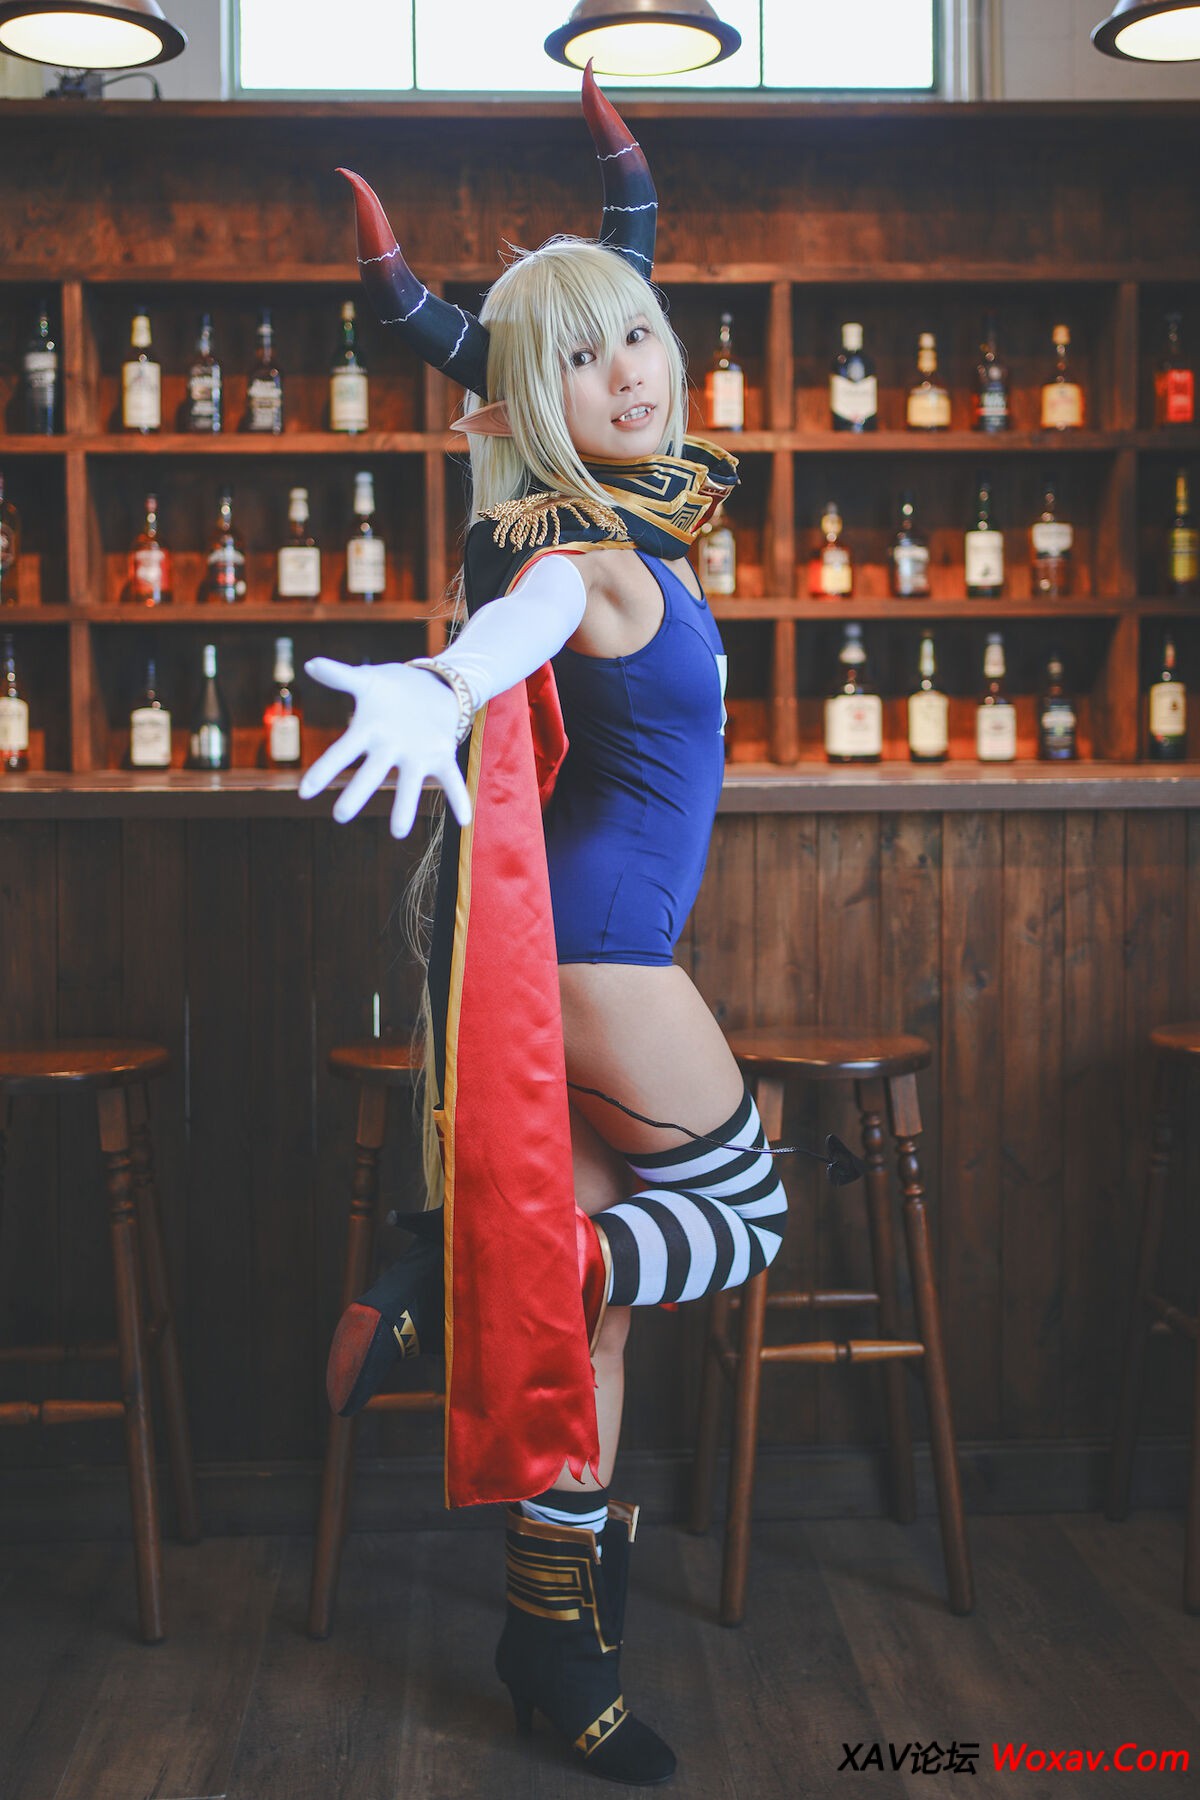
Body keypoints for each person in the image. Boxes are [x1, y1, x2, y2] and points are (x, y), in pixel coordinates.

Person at [299, 68, 790, 1787]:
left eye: (638, 332)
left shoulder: (638, 529)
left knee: (591, 1335)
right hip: (608, 964)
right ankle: (458, 1273)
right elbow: (526, 619)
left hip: (561, 960)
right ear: (530, 401)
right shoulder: (586, 553)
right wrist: (443, 683)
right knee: (748, 1214)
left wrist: (459, 677)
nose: (630, 371)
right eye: (581, 357)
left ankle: (555, 1651)